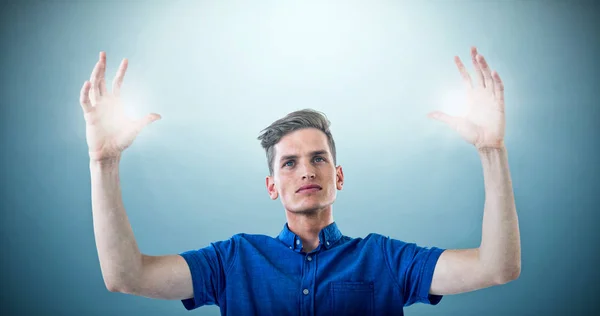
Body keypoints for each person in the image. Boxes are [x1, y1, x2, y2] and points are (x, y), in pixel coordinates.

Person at [80, 46, 520, 315]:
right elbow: (126, 276)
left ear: (338, 175)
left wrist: (491, 151)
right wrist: (103, 163)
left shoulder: (385, 259)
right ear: (271, 185)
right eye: (289, 163)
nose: (306, 170)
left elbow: (496, 268)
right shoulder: (232, 261)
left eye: (318, 158)